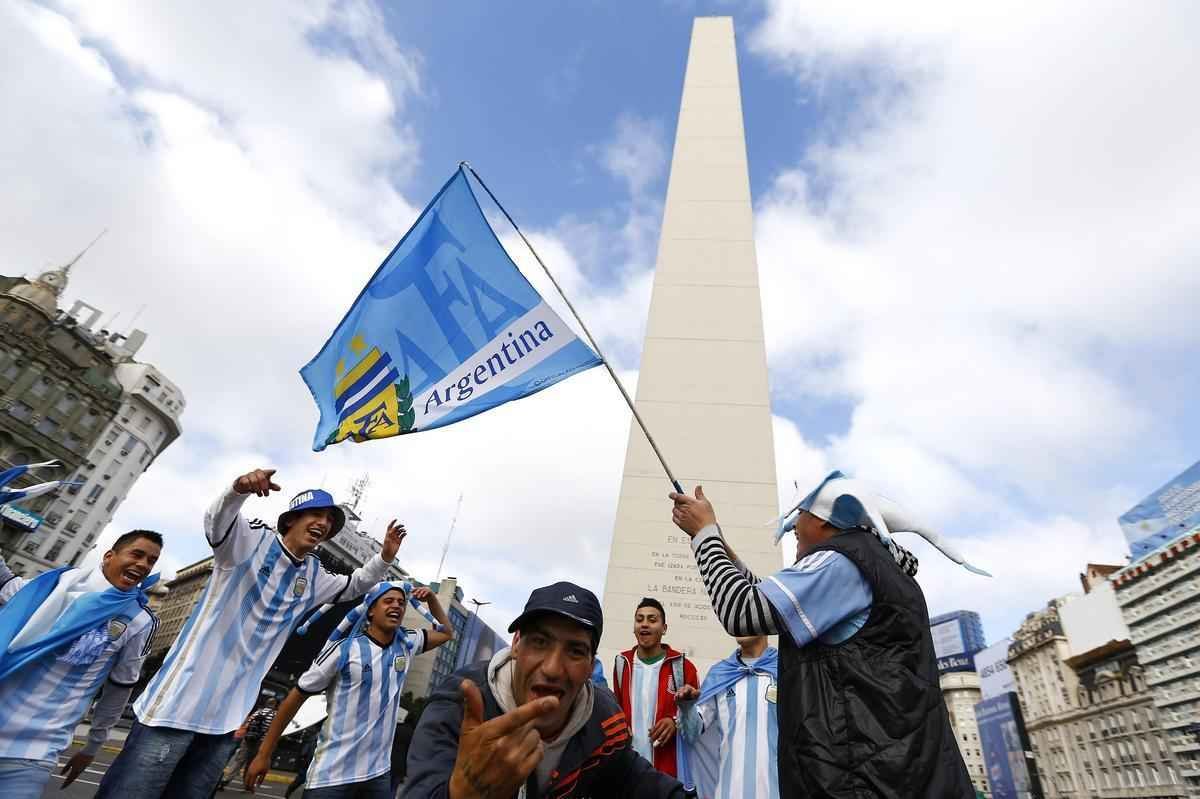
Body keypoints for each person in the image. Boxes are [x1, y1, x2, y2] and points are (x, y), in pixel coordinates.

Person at [670, 471, 985, 798]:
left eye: (800, 516)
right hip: (887, 773)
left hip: (863, 780)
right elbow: (769, 600)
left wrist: (703, 535)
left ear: (824, 522)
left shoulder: (840, 563)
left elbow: (741, 612)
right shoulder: (869, 563)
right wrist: (718, 541)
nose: (793, 527)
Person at [96, 467, 405, 799]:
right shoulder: (251, 540)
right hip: (175, 708)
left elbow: (355, 584)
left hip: (226, 723)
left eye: (329, 521)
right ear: (291, 519)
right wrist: (237, 491)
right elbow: (216, 523)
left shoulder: (314, 575)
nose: (324, 524)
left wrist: (384, 557)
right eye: (316, 514)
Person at [405, 581, 687, 798]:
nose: (552, 668)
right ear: (516, 644)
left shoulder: (604, 720)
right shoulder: (463, 700)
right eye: (540, 642)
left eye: (575, 651)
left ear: (591, 666)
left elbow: (638, 781)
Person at [245, 580, 453, 797]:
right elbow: (295, 697)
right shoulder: (343, 649)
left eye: (401, 603)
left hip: (377, 776)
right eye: (388, 601)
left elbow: (446, 633)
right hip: (331, 777)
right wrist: (264, 753)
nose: (397, 606)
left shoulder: (407, 643)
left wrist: (432, 600)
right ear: (371, 610)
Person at [0, 530, 162, 799]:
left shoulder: (140, 620)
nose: (144, 565)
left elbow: (119, 689)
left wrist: (93, 746)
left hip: (34, 751)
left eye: (151, 561)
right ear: (110, 556)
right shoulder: (58, 585)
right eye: (137, 554)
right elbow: (7, 586)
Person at [675, 635, 779, 799]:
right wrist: (686, 707)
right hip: (728, 792)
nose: (739, 622)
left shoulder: (786, 671)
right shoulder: (720, 674)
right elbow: (692, 733)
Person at [611, 597, 698, 778]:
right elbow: (617, 709)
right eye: (639, 619)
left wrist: (675, 722)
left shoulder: (683, 667)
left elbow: (697, 719)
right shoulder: (622, 663)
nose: (644, 624)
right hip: (627, 771)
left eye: (652, 620)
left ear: (664, 628)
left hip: (668, 773)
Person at [218, 697, 279, 790]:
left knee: (239, 761)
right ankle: (247, 784)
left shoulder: (258, 712)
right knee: (251, 763)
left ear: (266, 703)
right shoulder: (275, 714)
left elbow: (248, 724)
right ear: (275, 705)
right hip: (261, 742)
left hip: (248, 739)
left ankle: (226, 779)